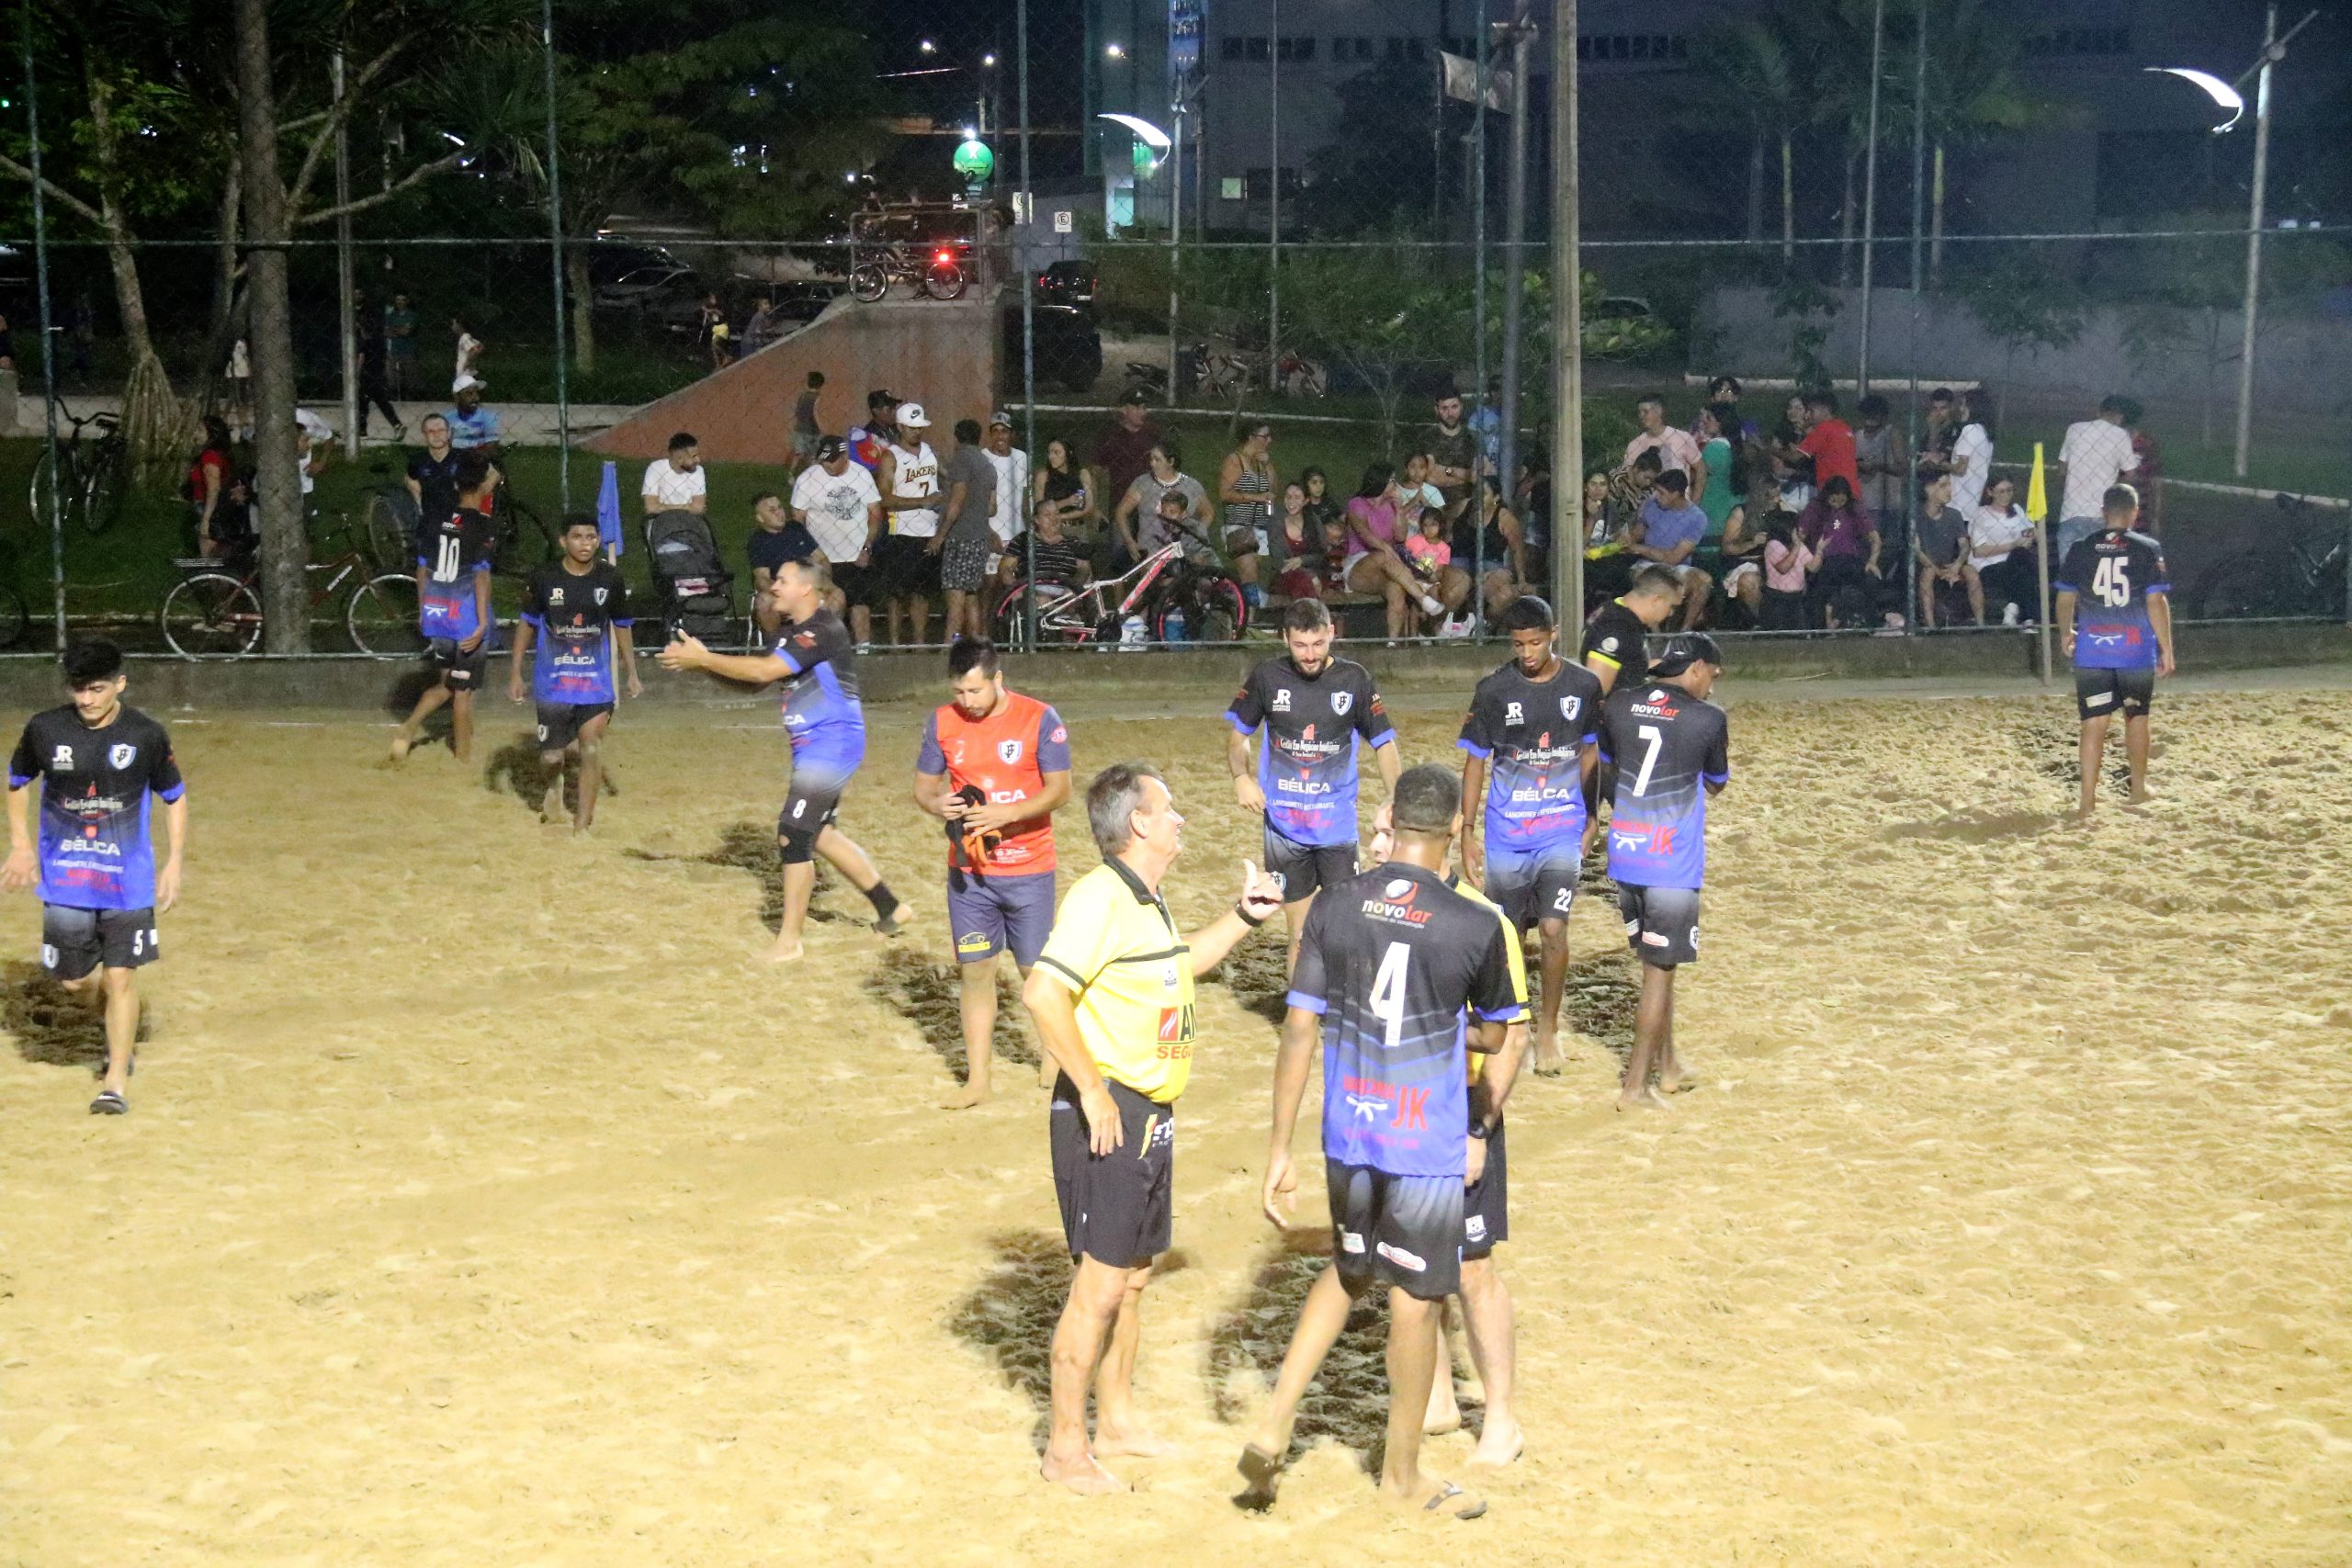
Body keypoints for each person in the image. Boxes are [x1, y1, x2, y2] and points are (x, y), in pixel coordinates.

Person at [1237, 762, 1527, 1520]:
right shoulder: (1474, 923)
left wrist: (1279, 1147)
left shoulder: (1336, 902)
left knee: (1345, 1269)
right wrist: (1451, 1024)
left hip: (1350, 1128)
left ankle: (1273, 1424)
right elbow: (1497, 1033)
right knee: (1416, 1301)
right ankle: (1402, 1476)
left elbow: (1299, 1028)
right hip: (1422, 1141)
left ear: (1391, 820)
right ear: (1455, 827)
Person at [1024, 762, 1283, 1494]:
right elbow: (1042, 992)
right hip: (1110, 1112)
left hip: (1149, 1112)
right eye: (1168, 808)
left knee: (1133, 1279)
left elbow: (1178, 966)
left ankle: (1116, 1420)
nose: (1179, 819)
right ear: (1138, 822)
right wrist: (1093, 1090)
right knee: (1100, 1286)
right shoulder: (1099, 897)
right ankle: (1065, 1448)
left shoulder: (1144, 898)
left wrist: (1244, 915)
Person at [658, 558, 912, 958]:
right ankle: (890, 909)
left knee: (792, 834)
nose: (773, 586)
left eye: (782, 580)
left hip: (832, 743)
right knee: (820, 833)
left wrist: (705, 660)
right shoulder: (789, 634)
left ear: (806, 589)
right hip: (816, 744)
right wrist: (704, 664)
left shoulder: (823, 629)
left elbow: (763, 672)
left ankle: (789, 941)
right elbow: (753, 683)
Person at [3, 640, 187, 1116]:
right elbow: (17, 780)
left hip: (127, 880)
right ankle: (111, 1017)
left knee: (120, 975)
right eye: (78, 689)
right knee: (71, 983)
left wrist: (174, 862)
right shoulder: (45, 729)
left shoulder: (145, 734)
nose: (86, 699)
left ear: (120, 684)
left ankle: (115, 1079)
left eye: (97, 689)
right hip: (66, 878)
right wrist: (21, 845)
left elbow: (174, 796)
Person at [913, 639, 1071, 1108]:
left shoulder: (1040, 719)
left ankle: (1054, 1053)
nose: (967, 702)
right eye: (959, 692)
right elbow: (924, 790)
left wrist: (1008, 814)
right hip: (969, 874)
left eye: (975, 691)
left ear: (998, 679)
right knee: (976, 971)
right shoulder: (942, 723)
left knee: (1034, 972)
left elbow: (1061, 790)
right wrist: (937, 805)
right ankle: (978, 1081)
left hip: (1029, 870)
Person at [1459, 595, 1603, 1074]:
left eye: (1536, 643)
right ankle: (1515, 1025)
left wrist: (1591, 815)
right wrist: (1467, 831)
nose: (1527, 653)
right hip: (1507, 832)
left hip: (1560, 827)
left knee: (1554, 927)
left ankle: (1549, 1028)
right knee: (1511, 935)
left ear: (1554, 634)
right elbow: (1475, 762)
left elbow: (1590, 753)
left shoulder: (1582, 685)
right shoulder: (1493, 691)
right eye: (1518, 644)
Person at [1227, 599, 1400, 973]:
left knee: (1345, 933)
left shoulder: (1354, 680)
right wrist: (1242, 777)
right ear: (1284, 638)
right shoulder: (1267, 677)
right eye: (1300, 645)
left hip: (1337, 829)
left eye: (1318, 644)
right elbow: (1239, 735)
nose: (1310, 655)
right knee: (1300, 935)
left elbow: (1384, 744)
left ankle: (1342, 1005)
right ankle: (1300, 1009)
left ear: (1332, 633)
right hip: (1285, 831)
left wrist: (1394, 799)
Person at [1599, 633, 1729, 1110]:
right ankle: (1635, 1087)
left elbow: (1607, 765)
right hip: (1671, 861)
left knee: (1658, 964)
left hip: (1626, 852)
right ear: (1696, 668)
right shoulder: (1708, 717)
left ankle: (1668, 1064)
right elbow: (1715, 784)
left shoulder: (1619, 705)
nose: (1712, 685)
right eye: (1712, 675)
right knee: (1659, 972)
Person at [509, 515, 641, 829]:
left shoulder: (610, 578)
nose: (586, 543)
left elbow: (622, 625)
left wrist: (632, 671)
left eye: (591, 537)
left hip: (595, 682)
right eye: (578, 537)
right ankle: (553, 787)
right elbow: (527, 623)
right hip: (554, 683)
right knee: (552, 758)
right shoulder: (544, 577)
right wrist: (515, 672)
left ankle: (582, 826)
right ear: (563, 541)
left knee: (591, 748)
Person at [2053, 485, 2173, 818]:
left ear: (2103, 512)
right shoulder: (2147, 548)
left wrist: (2066, 632)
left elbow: (2065, 598)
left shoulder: (2081, 548)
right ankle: (2138, 789)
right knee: (2137, 716)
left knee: (2094, 722)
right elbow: (2156, 602)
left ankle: (2087, 802)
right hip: (2134, 649)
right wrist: (2166, 647)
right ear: (2134, 513)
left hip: (2093, 649)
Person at [390, 449, 500, 765]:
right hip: (465, 616)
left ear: (455, 484)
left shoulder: (436, 521)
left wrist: (424, 610)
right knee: (462, 691)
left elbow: (422, 570)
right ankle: (462, 759)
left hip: (437, 611)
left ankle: (410, 728)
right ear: (483, 486)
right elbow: (481, 577)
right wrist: (482, 623)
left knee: (449, 683)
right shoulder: (484, 526)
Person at [788, 434, 885, 644]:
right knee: (826, 605)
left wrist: (867, 546)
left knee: (860, 604)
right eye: (824, 460)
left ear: (845, 456)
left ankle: (863, 649)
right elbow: (797, 520)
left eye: (833, 460)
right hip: (821, 558)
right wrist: (807, 553)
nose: (828, 465)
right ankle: (829, 648)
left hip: (855, 554)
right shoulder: (807, 479)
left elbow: (875, 514)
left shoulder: (861, 475)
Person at [1342, 463, 1449, 638]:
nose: (1395, 484)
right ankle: (1422, 598)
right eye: (1392, 480)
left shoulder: (1390, 506)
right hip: (1359, 566)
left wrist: (1399, 510)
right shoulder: (1357, 503)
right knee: (1384, 554)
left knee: (1395, 588)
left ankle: (1392, 642)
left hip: (1388, 567)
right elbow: (1363, 533)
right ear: (1381, 481)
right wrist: (1386, 548)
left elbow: (1400, 537)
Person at [874, 402, 943, 646]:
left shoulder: (930, 451)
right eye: (912, 427)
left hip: (929, 531)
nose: (917, 432)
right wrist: (922, 501)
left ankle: (919, 645)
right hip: (901, 531)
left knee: (921, 593)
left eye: (920, 427)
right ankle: (894, 644)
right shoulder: (891, 456)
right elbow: (884, 498)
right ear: (900, 427)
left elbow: (946, 477)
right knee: (897, 594)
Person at [937, 418, 999, 645]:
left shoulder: (961, 460)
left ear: (956, 438)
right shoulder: (987, 465)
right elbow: (992, 508)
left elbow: (956, 503)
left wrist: (940, 535)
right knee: (971, 595)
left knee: (955, 598)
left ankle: (949, 647)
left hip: (961, 537)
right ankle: (975, 647)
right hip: (980, 537)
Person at [2055, 395, 2138, 558]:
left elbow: (2062, 467)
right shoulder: (2120, 435)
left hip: (2071, 511)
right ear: (2120, 416)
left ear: (2099, 412)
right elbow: (2131, 473)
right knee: (2097, 565)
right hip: (2102, 513)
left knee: (2068, 566)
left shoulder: (2074, 429)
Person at [1630, 470, 1713, 630]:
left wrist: (1641, 548)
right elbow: (1637, 534)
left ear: (1676, 494)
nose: (1657, 496)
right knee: (1647, 582)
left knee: (1704, 582)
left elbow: (1674, 558)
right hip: (1646, 565)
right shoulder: (1651, 505)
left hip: (1678, 567)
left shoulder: (1697, 517)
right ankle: (1656, 634)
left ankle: (1684, 632)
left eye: (1662, 493)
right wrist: (1626, 539)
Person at [1580, 564, 1679, 696]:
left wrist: (1665, 664)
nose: (1671, 613)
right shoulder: (1617, 627)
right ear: (1656, 600)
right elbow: (1597, 692)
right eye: (1671, 606)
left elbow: (1625, 664)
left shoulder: (1615, 608)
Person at [1797, 477, 1881, 629]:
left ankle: (1869, 624)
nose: (1837, 505)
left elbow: (1875, 538)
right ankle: (1819, 626)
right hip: (1823, 562)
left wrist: (1872, 561)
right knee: (1820, 585)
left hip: (1851, 560)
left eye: (1842, 501)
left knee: (1871, 581)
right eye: (1833, 500)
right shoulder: (1815, 508)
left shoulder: (1854, 508)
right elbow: (1800, 535)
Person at [1114, 441, 1210, 563]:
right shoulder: (1143, 483)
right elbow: (1121, 512)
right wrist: (1129, 542)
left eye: (1157, 460)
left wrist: (1196, 535)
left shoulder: (1191, 485)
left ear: (1171, 462)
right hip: (1151, 552)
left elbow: (1208, 513)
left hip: (1184, 550)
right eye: (1151, 459)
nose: (1152, 464)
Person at [1091, 390, 1161, 555]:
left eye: (1144, 407)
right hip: (1120, 503)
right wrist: (1095, 507)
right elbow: (1095, 472)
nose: (1142, 412)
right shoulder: (1110, 436)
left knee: (1152, 551)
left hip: (1150, 504)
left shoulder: (1153, 434)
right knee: (1120, 552)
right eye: (1136, 407)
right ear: (1123, 410)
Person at [1216, 420, 1276, 604]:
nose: (1269, 440)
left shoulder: (1261, 462)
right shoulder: (1235, 460)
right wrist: (1256, 498)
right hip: (1239, 525)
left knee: (1253, 577)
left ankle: (1234, 601)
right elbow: (1224, 494)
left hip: (1260, 525)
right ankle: (1246, 614)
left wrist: (1268, 465)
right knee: (1249, 578)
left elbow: (1273, 490)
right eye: (1265, 436)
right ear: (1251, 437)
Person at [1969, 474, 2039, 625]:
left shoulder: (2017, 510)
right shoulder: (1981, 514)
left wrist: (2031, 535)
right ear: (1990, 492)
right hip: (1989, 565)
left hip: (2017, 561)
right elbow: (1978, 551)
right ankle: (2027, 617)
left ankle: (2014, 608)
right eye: (2001, 491)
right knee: (2023, 560)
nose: (2006, 495)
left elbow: (2031, 531)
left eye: (2009, 490)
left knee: (2022, 558)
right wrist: (2013, 545)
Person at [1915, 471, 1980, 628]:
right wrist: (1937, 571)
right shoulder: (1915, 516)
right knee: (1928, 573)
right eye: (1943, 485)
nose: (1950, 490)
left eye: (1950, 485)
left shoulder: (1954, 515)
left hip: (1950, 564)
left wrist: (1957, 565)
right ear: (1929, 489)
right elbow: (1916, 550)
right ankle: (1930, 626)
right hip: (1927, 566)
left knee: (1971, 572)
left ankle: (1980, 624)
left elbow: (1964, 545)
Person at [982, 412, 1030, 594]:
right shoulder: (984, 457)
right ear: (990, 434)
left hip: (1016, 532)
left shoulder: (1021, 457)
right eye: (995, 431)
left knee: (1013, 586)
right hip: (992, 532)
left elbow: (1024, 496)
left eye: (1004, 431)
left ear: (1011, 434)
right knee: (990, 585)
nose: (1000, 436)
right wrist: (988, 532)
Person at [404, 413, 462, 545]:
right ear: (424, 435)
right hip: (430, 521)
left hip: (458, 521)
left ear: (449, 433)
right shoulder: (418, 461)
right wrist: (418, 501)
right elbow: (410, 478)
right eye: (431, 431)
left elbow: (492, 475)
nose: (436, 435)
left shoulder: (462, 457)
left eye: (441, 430)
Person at [1851, 393, 1909, 524]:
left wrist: (1878, 465)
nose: (1870, 421)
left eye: (1874, 416)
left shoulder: (1891, 434)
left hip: (1888, 503)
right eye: (1867, 416)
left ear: (1882, 416)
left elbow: (1902, 467)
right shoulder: (1857, 436)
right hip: (1863, 501)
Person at [1758, 510, 1818, 630]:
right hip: (1777, 598)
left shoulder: (1799, 546)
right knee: (1779, 633)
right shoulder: (1774, 545)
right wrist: (1796, 547)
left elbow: (1813, 567)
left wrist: (1820, 550)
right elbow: (1783, 568)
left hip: (1797, 597)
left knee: (1800, 631)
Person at [185, 416, 234, 558]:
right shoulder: (219, 454)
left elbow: (213, 489)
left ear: (211, 435)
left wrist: (206, 519)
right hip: (217, 506)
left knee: (209, 554)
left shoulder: (210, 457)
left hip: (208, 507)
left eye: (200, 430)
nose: (195, 433)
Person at [1623, 393, 1702, 482]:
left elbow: (1700, 468)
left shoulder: (1682, 437)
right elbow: (1628, 475)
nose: (1641, 416)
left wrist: (1697, 491)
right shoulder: (1634, 445)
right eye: (1639, 412)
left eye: (1645, 412)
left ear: (1659, 411)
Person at [1426, 390, 1478, 521]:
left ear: (1461, 407)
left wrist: (1447, 471)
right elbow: (1430, 476)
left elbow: (1478, 475)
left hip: (1466, 503)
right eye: (1444, 408)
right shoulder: (1428, 437)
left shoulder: (1472, 438)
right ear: (1436, 410)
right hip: (1434, 502)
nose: (1450, 413)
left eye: (1454, 407)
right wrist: (1466, 476)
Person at [1793, 390, 1859, 495]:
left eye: (1811, 411)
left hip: (1832, 491)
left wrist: (1770, 449)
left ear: (1825, 410)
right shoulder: (1845, 427)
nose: (1807, 416)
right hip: (1851, 490)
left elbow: (1795, 457)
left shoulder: (1823, 429)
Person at [641, 432, 707, 524]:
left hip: (689, 524)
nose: (698, 460)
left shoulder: (698, 471)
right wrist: (687, 507)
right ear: (679, 459)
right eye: (693, 456)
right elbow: (651, 507)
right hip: (660, 524)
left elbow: (698, 508)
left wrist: (663, 507)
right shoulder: (655, 469)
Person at [446, 378, 503, 456]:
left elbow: (491, 446)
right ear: (457, 397)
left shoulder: (488, 417)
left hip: (478, 458)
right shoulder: (447, 418)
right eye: (470, 393)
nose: (476, 398)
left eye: (477, 393)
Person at [848, 389, 898, 472]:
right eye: (889, 409)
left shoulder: (896, 428)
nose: (894, 412)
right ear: (876, 411)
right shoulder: (869, 435)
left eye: (894, 408)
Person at [382, 292, 417, 399]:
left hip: (408, 350)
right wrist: (401, 329)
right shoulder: (391, 315)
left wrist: (394, 329)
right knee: (392, 378)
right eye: (398, 300)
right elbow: (386, 332)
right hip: (394, 350)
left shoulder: (411, 315)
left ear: (407, 301)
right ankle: (394, 397)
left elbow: (406, 332)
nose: (400, 302)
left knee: (409, 377)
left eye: (402, 300)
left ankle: (410, 397)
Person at [789, 371, 826, 466]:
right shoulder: (817, 397)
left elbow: (798, 410)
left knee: (798, 453)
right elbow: (814, 412)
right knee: (813, 454)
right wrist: (820, 427)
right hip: (812, 429)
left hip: (800, 428)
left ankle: (791, 472)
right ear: (820, 385)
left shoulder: (803, 395)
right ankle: (811, 471)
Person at [450, 318, 483, 389]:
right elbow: (480, 345)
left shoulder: (464, 337)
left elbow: (475, 350)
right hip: (467, 372)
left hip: (465, 372)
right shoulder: (466, 336)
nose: (453, 327)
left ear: (460, 326)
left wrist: (468, 362)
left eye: (455, 324)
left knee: (462, 391)